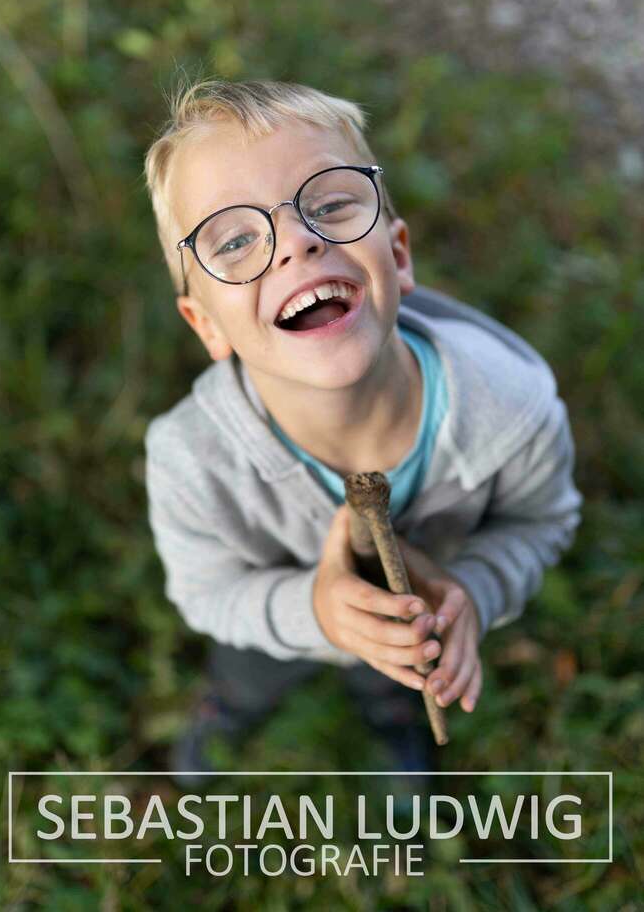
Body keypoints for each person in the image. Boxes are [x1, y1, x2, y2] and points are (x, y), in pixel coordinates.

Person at [142, 77, 582, 783]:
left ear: (397, 256)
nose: (296, 243)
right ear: (206, 325)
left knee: (395, 675)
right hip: (276, 625)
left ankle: (389, 719)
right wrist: (310, 613)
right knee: (248, 675)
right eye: (233, 240)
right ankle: (225, 719)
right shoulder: (192, 458)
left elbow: (540, 522)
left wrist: (475, 588)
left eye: (330, 204)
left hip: (413, 632)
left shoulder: (511, 408)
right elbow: (207, 591)